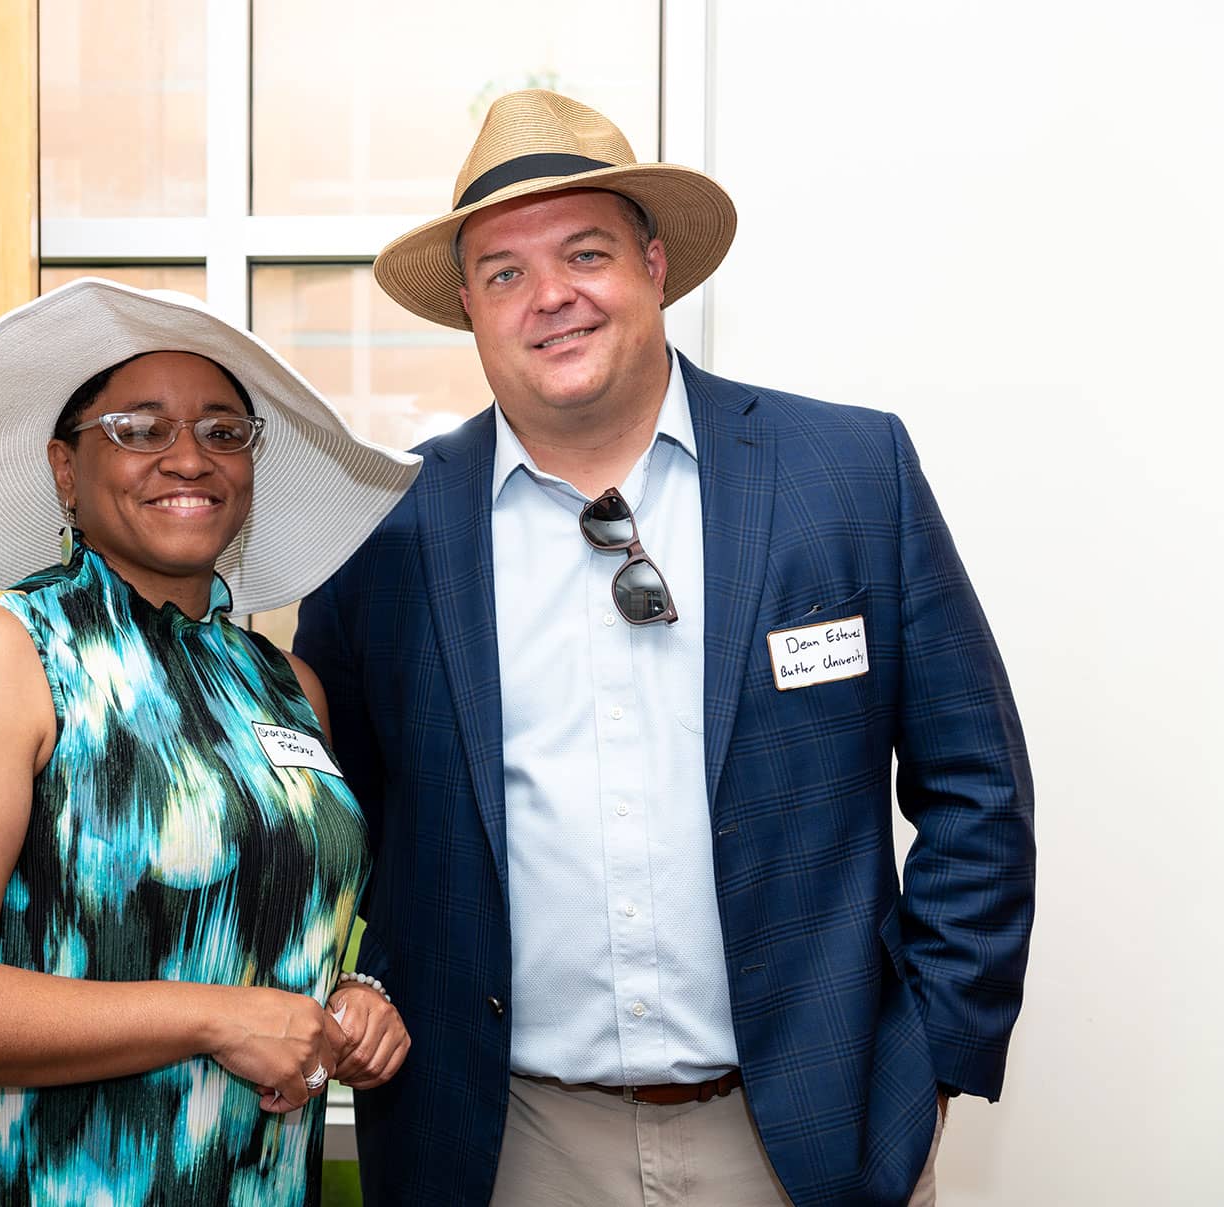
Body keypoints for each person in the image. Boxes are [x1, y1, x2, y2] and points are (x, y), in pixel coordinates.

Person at [293, 90, 1035, 1207]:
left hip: (807, 1130)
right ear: (467, 308)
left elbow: (975, 787)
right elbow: (326, 827)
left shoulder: (845, 473)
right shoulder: (383, 532)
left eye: (582, 252)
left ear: (651, 264)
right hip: (501, 1142)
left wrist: (925, 1058)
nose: (549, 297)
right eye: (502, 272)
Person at [0, 279, 420, 1205]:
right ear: (65, 470)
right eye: (140, 429)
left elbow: (273, 924)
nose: (188, 457)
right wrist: (214, 1019)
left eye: (223, 430)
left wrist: (349, 996)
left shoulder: (285, 683)